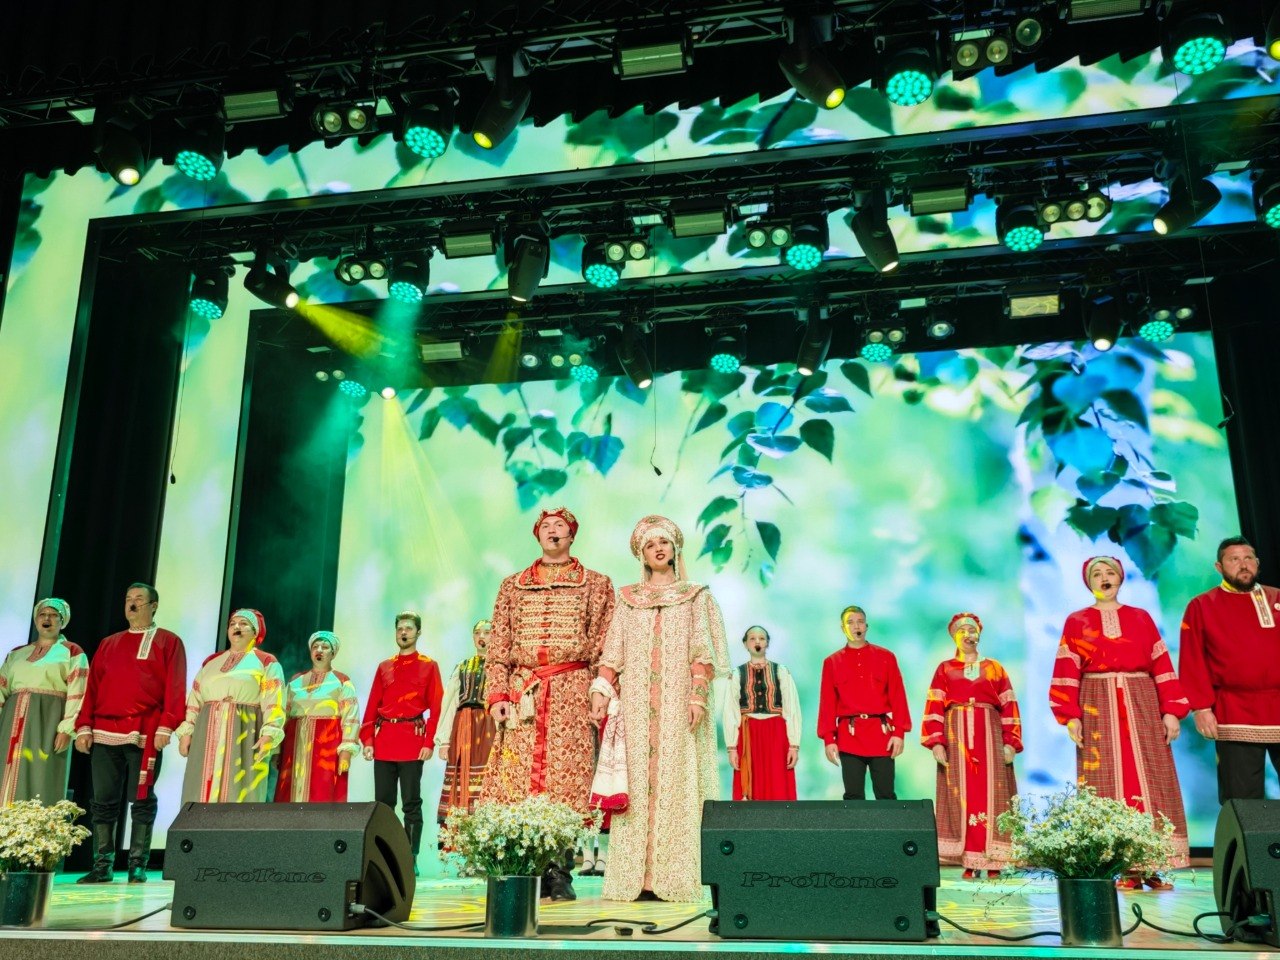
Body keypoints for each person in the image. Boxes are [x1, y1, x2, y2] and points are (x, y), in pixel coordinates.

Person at [590, 515, 730, 902]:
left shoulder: (694, 596)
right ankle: (636, 878)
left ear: (674, 549)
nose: (658, 549)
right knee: (635, 785)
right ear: (642, 554)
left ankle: (673, 876)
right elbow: (613, 652)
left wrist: (697, 696)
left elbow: (702, 651)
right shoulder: (628, 599)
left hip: (678, 704)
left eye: (664, 543)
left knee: (677, 781)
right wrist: (601, 689)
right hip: (636, 707)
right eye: (650, 545)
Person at [481, 506, 615, 902]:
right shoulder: (513, 586)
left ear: (571, 535)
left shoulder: (596, 584)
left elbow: (605, 645)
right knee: (517, 779)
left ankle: (559, 871)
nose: (552, 531)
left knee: (566, 781)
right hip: (524, 693)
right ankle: (524, 868)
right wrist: (498, 695)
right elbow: (499, 647)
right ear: (536, 534)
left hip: (572, 692)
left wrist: (600, 692)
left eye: (560, 526)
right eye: (545, 526)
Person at [1054, 556, 1191, 887]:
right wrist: (1070, 716)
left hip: (1142, 701)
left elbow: (1161, 664)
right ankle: (1121, 866)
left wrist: (1171, 710)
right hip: (1097, 704)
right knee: (1106, 781)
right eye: (1097, 574)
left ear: (1120, 578)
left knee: (1150, 778)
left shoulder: (1140, 618)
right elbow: (1067, 670)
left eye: (1110, 572)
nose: (1104, 578)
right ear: (1088, 582)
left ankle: (1151, 864)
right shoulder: (1077, 621)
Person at [74, 583, 187, 884]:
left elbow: (175, 686)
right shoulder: (109, 643)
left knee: (142, 797)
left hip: (145, 730)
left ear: (154, 606)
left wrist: (167, 725)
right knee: (103, 800)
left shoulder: (168, 641)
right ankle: (102, 865)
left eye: (139, 599)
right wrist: (83, 726)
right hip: (104, 729)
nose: (132, 604)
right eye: (128, 599)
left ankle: (138, 864)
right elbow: (92, 687)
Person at [1179, 536, 1280, 802]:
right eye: (1234, 559)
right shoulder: (1201, 606)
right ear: (1219, 567)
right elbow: (1192, 659)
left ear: (1257, 563)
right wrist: (1201, 708)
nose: (1243, 565)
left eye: (1248, 558)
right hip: (1235, 710)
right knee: (1242, 800)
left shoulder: (1277, 598)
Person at [921, 613, 1021, 879]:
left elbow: (1009, 706)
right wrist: (936, 742)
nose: (968, 634)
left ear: (979, 634)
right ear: (954, 636)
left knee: (992, 794)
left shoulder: (995, 668)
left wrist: (1011, 742)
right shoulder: (945, 669)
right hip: (957, 738)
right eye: (962, 630)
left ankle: (994, 860)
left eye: (972, 630)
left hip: (990, 735)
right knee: (962, 796)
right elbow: (934, 706)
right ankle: (969, 860)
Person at [360, 611, 443, 872]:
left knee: (411, 803)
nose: (403, 632)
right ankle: (385, 857)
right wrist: (367, 739)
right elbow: (372, 704)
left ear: (418, 632)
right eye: (400, 629)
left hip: (412, 740)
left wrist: (429, 742)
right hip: (385, 740)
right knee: (383, 804)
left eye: (408, 628)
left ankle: (410, 857)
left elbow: (437, 707)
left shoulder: (429, 666)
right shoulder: (384, 666)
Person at [176, 609, 285, 804]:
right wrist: (187, 732)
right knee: (200, 786)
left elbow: (274, 701)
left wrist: (270, 733)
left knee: (239, 788)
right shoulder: (211, 662)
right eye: (233, 624)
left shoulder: (266, 662)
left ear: (255, 632)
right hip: (207, 731)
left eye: (243, 624)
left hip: (244, 730)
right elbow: (195, 700)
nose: (237, 627)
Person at [817, 605, 911, 800]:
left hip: (881, 735)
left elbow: (898, 696)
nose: (856, 626)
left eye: (860, 622)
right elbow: (827, 704)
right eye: (850, 622)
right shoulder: (832, 662)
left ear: (866, 626)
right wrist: (829, 740)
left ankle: (888, 822)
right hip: (849, 736)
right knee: (853, 796)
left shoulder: (886, 657)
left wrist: (899, 733)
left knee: (886, 794)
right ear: (843, 628)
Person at [0, 599, 88, 806]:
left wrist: (67, 729)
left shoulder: (71, 651)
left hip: (47, 719)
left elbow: (79, 692)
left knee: (40, 771)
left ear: (62, 621)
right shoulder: (17, 653)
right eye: (42, 614)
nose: (47, 618)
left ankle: (35, 823)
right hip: (11, 721)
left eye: (53, 615)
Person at [274, 631, 360, 803]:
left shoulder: (341, 681)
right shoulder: (295, 681)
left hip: (326, 744)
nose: (319, 650)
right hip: (295, 742)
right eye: (315, 647)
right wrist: (278, 749)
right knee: (290, 789)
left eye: (325, 647)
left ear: (333, 653)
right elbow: (283, 715)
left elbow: (351, 717)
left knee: (322, 790)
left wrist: (346, 751)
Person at [722, 625, 800, 801]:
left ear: (767, 643)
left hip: (776, 735)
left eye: (762, 638)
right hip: (748, 735)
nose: (757, 641)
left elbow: (792, 708)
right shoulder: (737, 674)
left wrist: (794, 745)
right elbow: (730, 711)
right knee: (751, 786)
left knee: (778, 785)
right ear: (745, 644)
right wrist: (732, 748)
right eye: (752, 638)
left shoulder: (781, 671)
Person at [435, 619, 496, 830]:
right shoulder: (462, 666)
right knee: (461, 774)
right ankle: (459, 833)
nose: (482, 636)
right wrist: (444, 740)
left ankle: (486, 831)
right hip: (464, 725)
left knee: (487, 774)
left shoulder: (500, 667)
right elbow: (450, 703)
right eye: (478, 632)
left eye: (487, 632)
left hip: (489, 725)